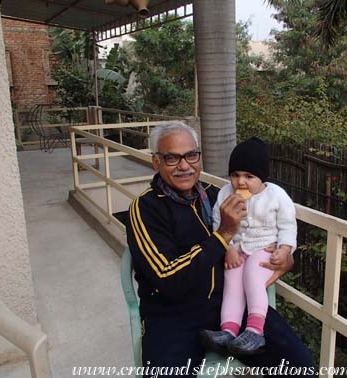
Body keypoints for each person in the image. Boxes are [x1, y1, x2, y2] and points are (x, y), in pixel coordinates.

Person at [126, 122, 314, 376]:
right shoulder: (145, 209)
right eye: (172, 158)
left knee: (301, 367)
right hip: (175, 317)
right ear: (156, 162)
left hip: (234, 304)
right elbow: (168, 278)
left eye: (191, 155)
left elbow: (271, 228)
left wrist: (286, 258)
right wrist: (223, 235)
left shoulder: (221, 194)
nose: (184, 165)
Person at [200, 137, 296, 356]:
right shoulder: (225, 193)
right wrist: (229, 248)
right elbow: (218, 222)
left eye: (249, 176)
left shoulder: (276, 195)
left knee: (253, 277)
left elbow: (288, 225)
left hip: (265, 248)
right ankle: (228, 331)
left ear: (262, 177)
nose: (240, 182)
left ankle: (255, 330)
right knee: (232, 283)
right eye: (235, 175)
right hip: (236, 249)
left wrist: (285, 248)